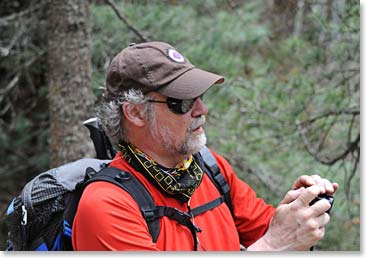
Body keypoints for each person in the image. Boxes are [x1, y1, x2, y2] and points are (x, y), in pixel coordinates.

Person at [72, 41, 338, 251]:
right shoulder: (106, 205)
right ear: (135, 113)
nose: (202, 109)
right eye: (183, 102)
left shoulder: (211, 168)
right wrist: (273, 245)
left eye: (200, 96)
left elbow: (270, 233)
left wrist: (297, 212)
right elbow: (271, 243)